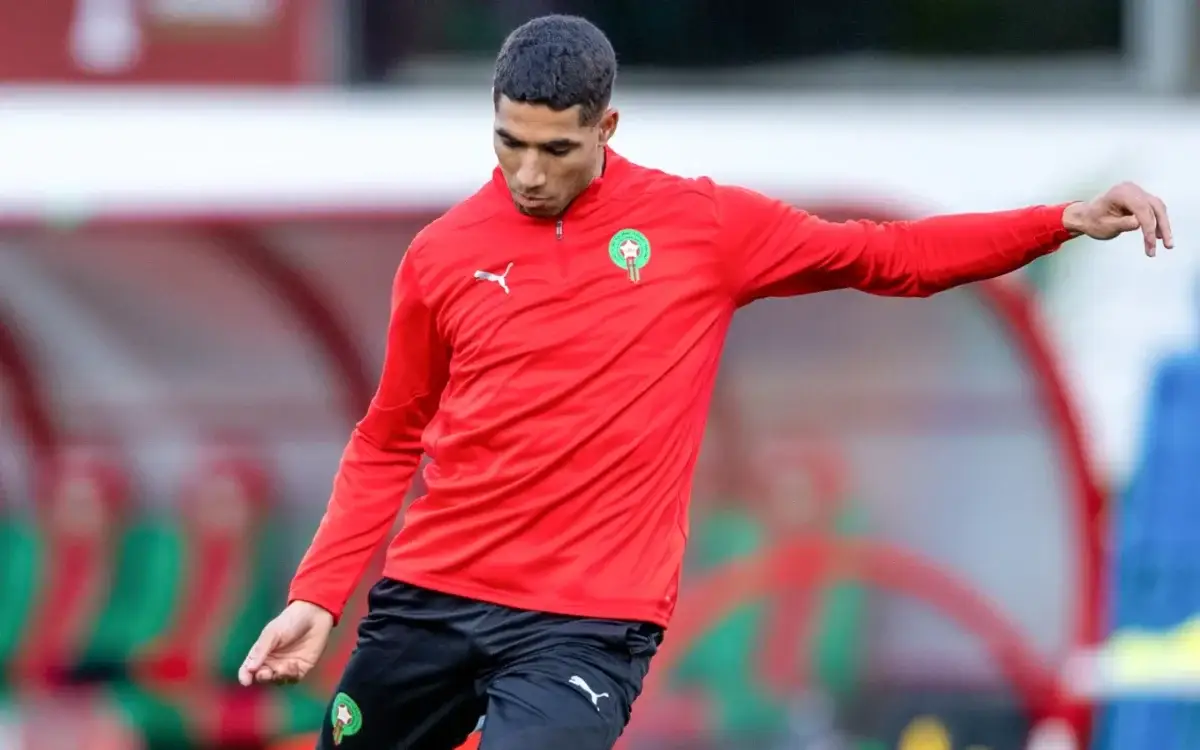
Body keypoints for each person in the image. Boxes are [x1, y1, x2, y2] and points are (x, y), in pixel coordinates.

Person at [237, 13, 1173, 750]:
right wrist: (318, 596)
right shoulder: (442, 256)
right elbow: (390, 434)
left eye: (555, 151)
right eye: (507, 143)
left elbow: (889, 257)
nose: (526, 174)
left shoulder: (700, 228)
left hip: (584, 622)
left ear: (607, 126)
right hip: (431, 597)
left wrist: (1062, 218)